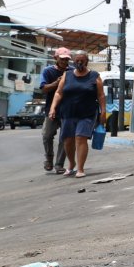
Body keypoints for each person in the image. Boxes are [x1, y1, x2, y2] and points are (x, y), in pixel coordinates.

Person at [48, 50, 107, 178]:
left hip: (87, 113)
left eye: (82, 60)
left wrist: (103, 112)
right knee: (68, 141)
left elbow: (101, 95)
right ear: (73, 61)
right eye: (77, 60)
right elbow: (59, 93)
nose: (79, 62)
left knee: (81, 138)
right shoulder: (67, 75)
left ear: (86, 61)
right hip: (68, 113)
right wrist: (53, 108)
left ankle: (80, 168)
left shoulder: (94, 76)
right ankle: (71, 164)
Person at [38, 47, 71, 173]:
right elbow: (43, 88)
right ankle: (49, 159)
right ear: (56, 58)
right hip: (51, 109)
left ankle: (59, 164)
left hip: (68, 110)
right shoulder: (48, 71)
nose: (64, 62)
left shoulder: (72, 71)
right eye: (62, 59)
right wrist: (56, 83)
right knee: (47, 135)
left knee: (65, 137)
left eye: (67, 59)